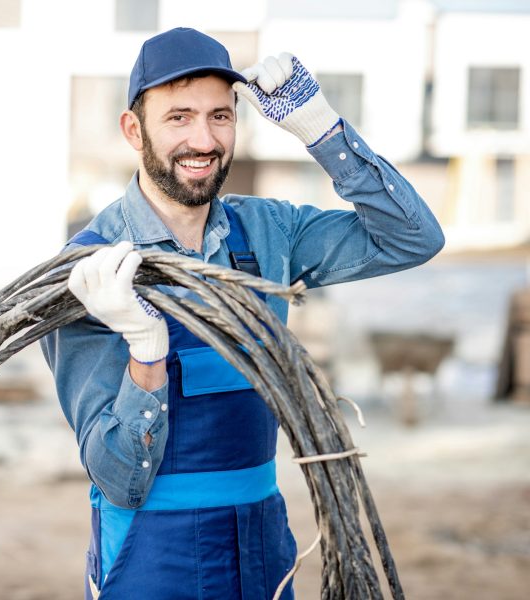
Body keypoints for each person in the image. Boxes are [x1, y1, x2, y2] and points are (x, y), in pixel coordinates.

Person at [41, 27, 444, 600]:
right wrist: (146, 353)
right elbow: (120, 480)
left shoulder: (269, 233)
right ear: (134, 129)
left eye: (220, 117)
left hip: (261, 546)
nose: (203, 139)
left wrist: (324, 133)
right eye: (178, 117)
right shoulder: (91, 271)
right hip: (151, 558)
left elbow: (412, 239)